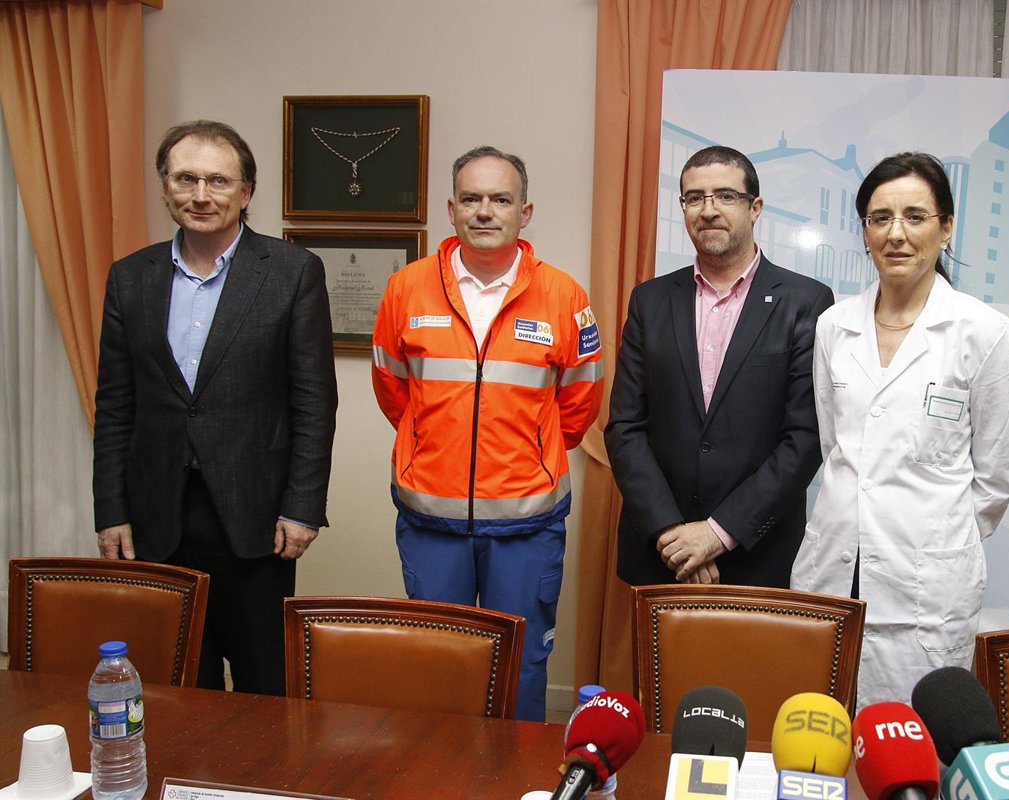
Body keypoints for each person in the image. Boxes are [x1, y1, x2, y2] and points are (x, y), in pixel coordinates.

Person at [93, 120, 338, 695]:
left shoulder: (292, 272)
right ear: (165, 187)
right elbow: (115, 405)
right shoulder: (130, 277)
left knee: (264, 687)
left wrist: (303, 507)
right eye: (186, 179)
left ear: (246, 192)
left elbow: (314, 401)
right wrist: (111, 510)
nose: (201, 195)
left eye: (218, 181)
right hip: (157, 516)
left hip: (256, 516)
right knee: (178, 684)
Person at [790, 152, 1009, 708]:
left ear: (946, 228)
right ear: (865, 231)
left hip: (925, 581)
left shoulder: (983, 333)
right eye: (880, 218)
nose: (895, 233)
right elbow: (835, 444)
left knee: (911, 734)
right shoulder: (834, 326)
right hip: (835, 563)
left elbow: (994, 479)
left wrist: (933, 536)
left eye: (915, 216)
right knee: (820, 722)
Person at [371, 145, 603, 722]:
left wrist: (530, 453)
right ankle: (439, 769)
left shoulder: (565, 296)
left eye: (500, 199)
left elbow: (579, 404)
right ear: (451, 209)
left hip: (527, 524)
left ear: (525, 213)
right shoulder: (405, 288)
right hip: (431, 520)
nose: (484, 211)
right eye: (471, 198)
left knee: (520, 667)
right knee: (437, 665)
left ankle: (513, 769)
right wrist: (434, 444)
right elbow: (394, 391)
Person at [605, 145, 833, 588]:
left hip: (756, 553)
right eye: (694, 198)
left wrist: (717, 533)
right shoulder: (649, 301)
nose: (708, 210)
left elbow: (805, 438)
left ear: (755, 208)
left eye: (725, 196)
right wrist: (671, 533)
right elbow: (624, 427)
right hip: (661, 553)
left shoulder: (807, 302)